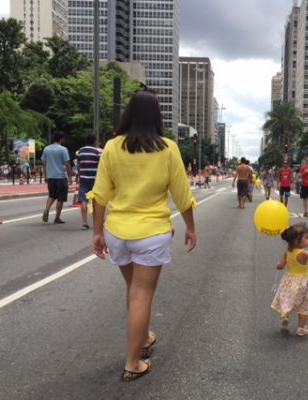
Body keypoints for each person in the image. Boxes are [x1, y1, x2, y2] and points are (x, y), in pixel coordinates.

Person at [89, 90, 196, 382]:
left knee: (133, 289)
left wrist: (97, 232)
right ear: (156, 116)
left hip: (117, 232)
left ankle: (145, 337)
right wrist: (191, 226)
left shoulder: (112, 147)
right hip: (151, 232)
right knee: (141, 294)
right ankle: (132, 362)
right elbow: (182, 193)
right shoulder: (168, 148)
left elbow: (100, 195)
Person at [41, 131, 73, 224]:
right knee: (60, 198)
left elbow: (44, 163)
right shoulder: (63, 149)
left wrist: (46, 176)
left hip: (50, 177)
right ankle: (57, 217)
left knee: (51, 195)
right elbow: (67, 164)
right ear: (60, 139)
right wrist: (70, 176)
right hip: (61, 177)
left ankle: (47, 209)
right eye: (63, 139)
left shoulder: (46, 149)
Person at [76, 134, 102, 230]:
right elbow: (100, 166)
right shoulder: (97, 151)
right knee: (96, 200)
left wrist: (78, 174)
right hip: (95, 179)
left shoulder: (80, 151)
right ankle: (97, 222)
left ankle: (84, 222)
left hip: (83, 178)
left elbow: (79, 164)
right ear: (94, 141)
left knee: (84, 200)